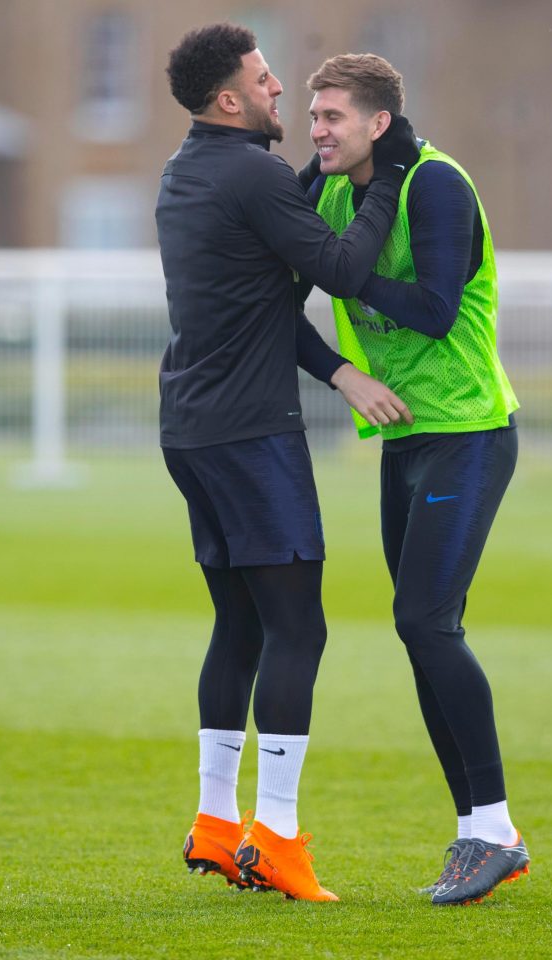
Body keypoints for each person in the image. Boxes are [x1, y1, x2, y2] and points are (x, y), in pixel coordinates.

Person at [155, 25, 419, 903]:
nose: (283, 97)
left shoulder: (188, 171)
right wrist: (384, 168)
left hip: (191, 431)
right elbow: (342, 268)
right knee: (298, 629)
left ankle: (215, 822)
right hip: (250, 438)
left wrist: (340, 373)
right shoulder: (257, 176)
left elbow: (263, 294)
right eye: (267, 82)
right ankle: (275, 839)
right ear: (230, 99)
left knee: (239, 627)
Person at [300, 53, 529, 906]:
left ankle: (491, 829)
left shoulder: (435, 185)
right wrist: (340, 374)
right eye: (313, 115)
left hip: (468, 430)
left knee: (426, 623)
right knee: (421, 630)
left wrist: (337, 271)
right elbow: (271, 301)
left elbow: (434, 308)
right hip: (405, 439)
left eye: (331, 117)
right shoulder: (324, 187)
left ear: (376, 125)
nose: (315, 129)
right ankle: (485, 831)